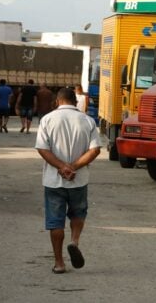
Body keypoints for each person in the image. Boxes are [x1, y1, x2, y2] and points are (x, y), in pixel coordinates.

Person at [35, 87, 101, 274]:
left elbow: (42, 149)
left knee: (55, 222)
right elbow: (95, 150)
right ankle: (74, 241)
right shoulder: (87, 121)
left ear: (57, 101)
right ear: (75, 101)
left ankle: (59, 263)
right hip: (78, 180)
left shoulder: (47, 119)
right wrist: (73, 167)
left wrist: (61, 167)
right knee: (78, 213)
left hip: (53, 181)